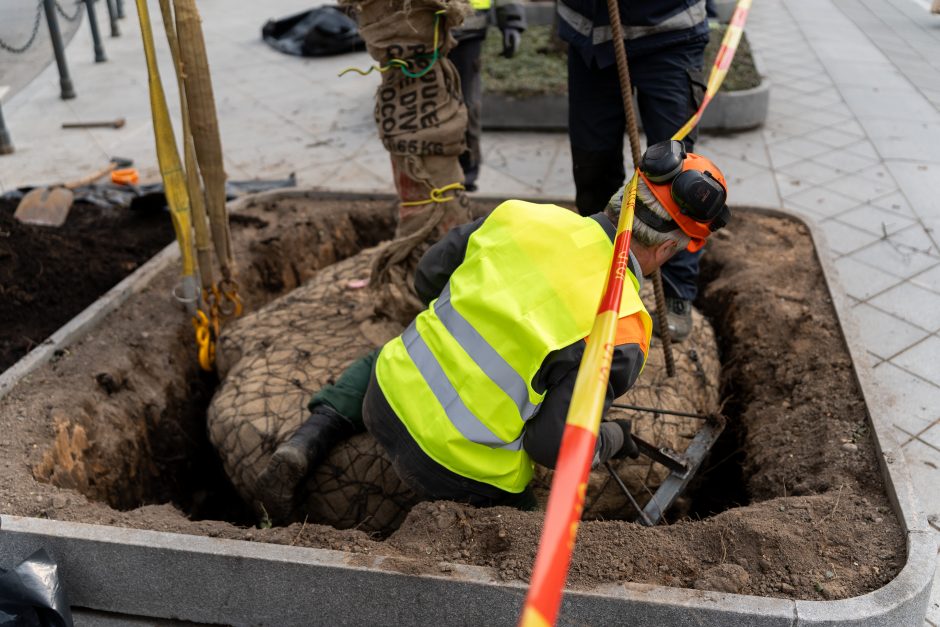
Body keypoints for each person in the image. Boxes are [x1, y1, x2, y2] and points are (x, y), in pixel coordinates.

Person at [258, 141, 731, 520]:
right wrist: (610, 438)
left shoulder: (522, 215)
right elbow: (551, 447)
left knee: (395, 351)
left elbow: (427, 277)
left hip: (383, 400)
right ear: (672, 249)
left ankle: (308, 439)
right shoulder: (623, 325)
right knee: (521, 530)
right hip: (459, 469)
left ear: (624, 194)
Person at [558, 0, 710, 341]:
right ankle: (599, 274)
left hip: (669, 30)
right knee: (592, 165)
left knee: (675, 175)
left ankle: (675, 292)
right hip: (590, 38)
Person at [449, 0, 526, 191]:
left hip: (467, 32)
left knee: (466, 105)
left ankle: (466, 172)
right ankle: (431, 171)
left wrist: (511, 20)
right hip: (418, 32)